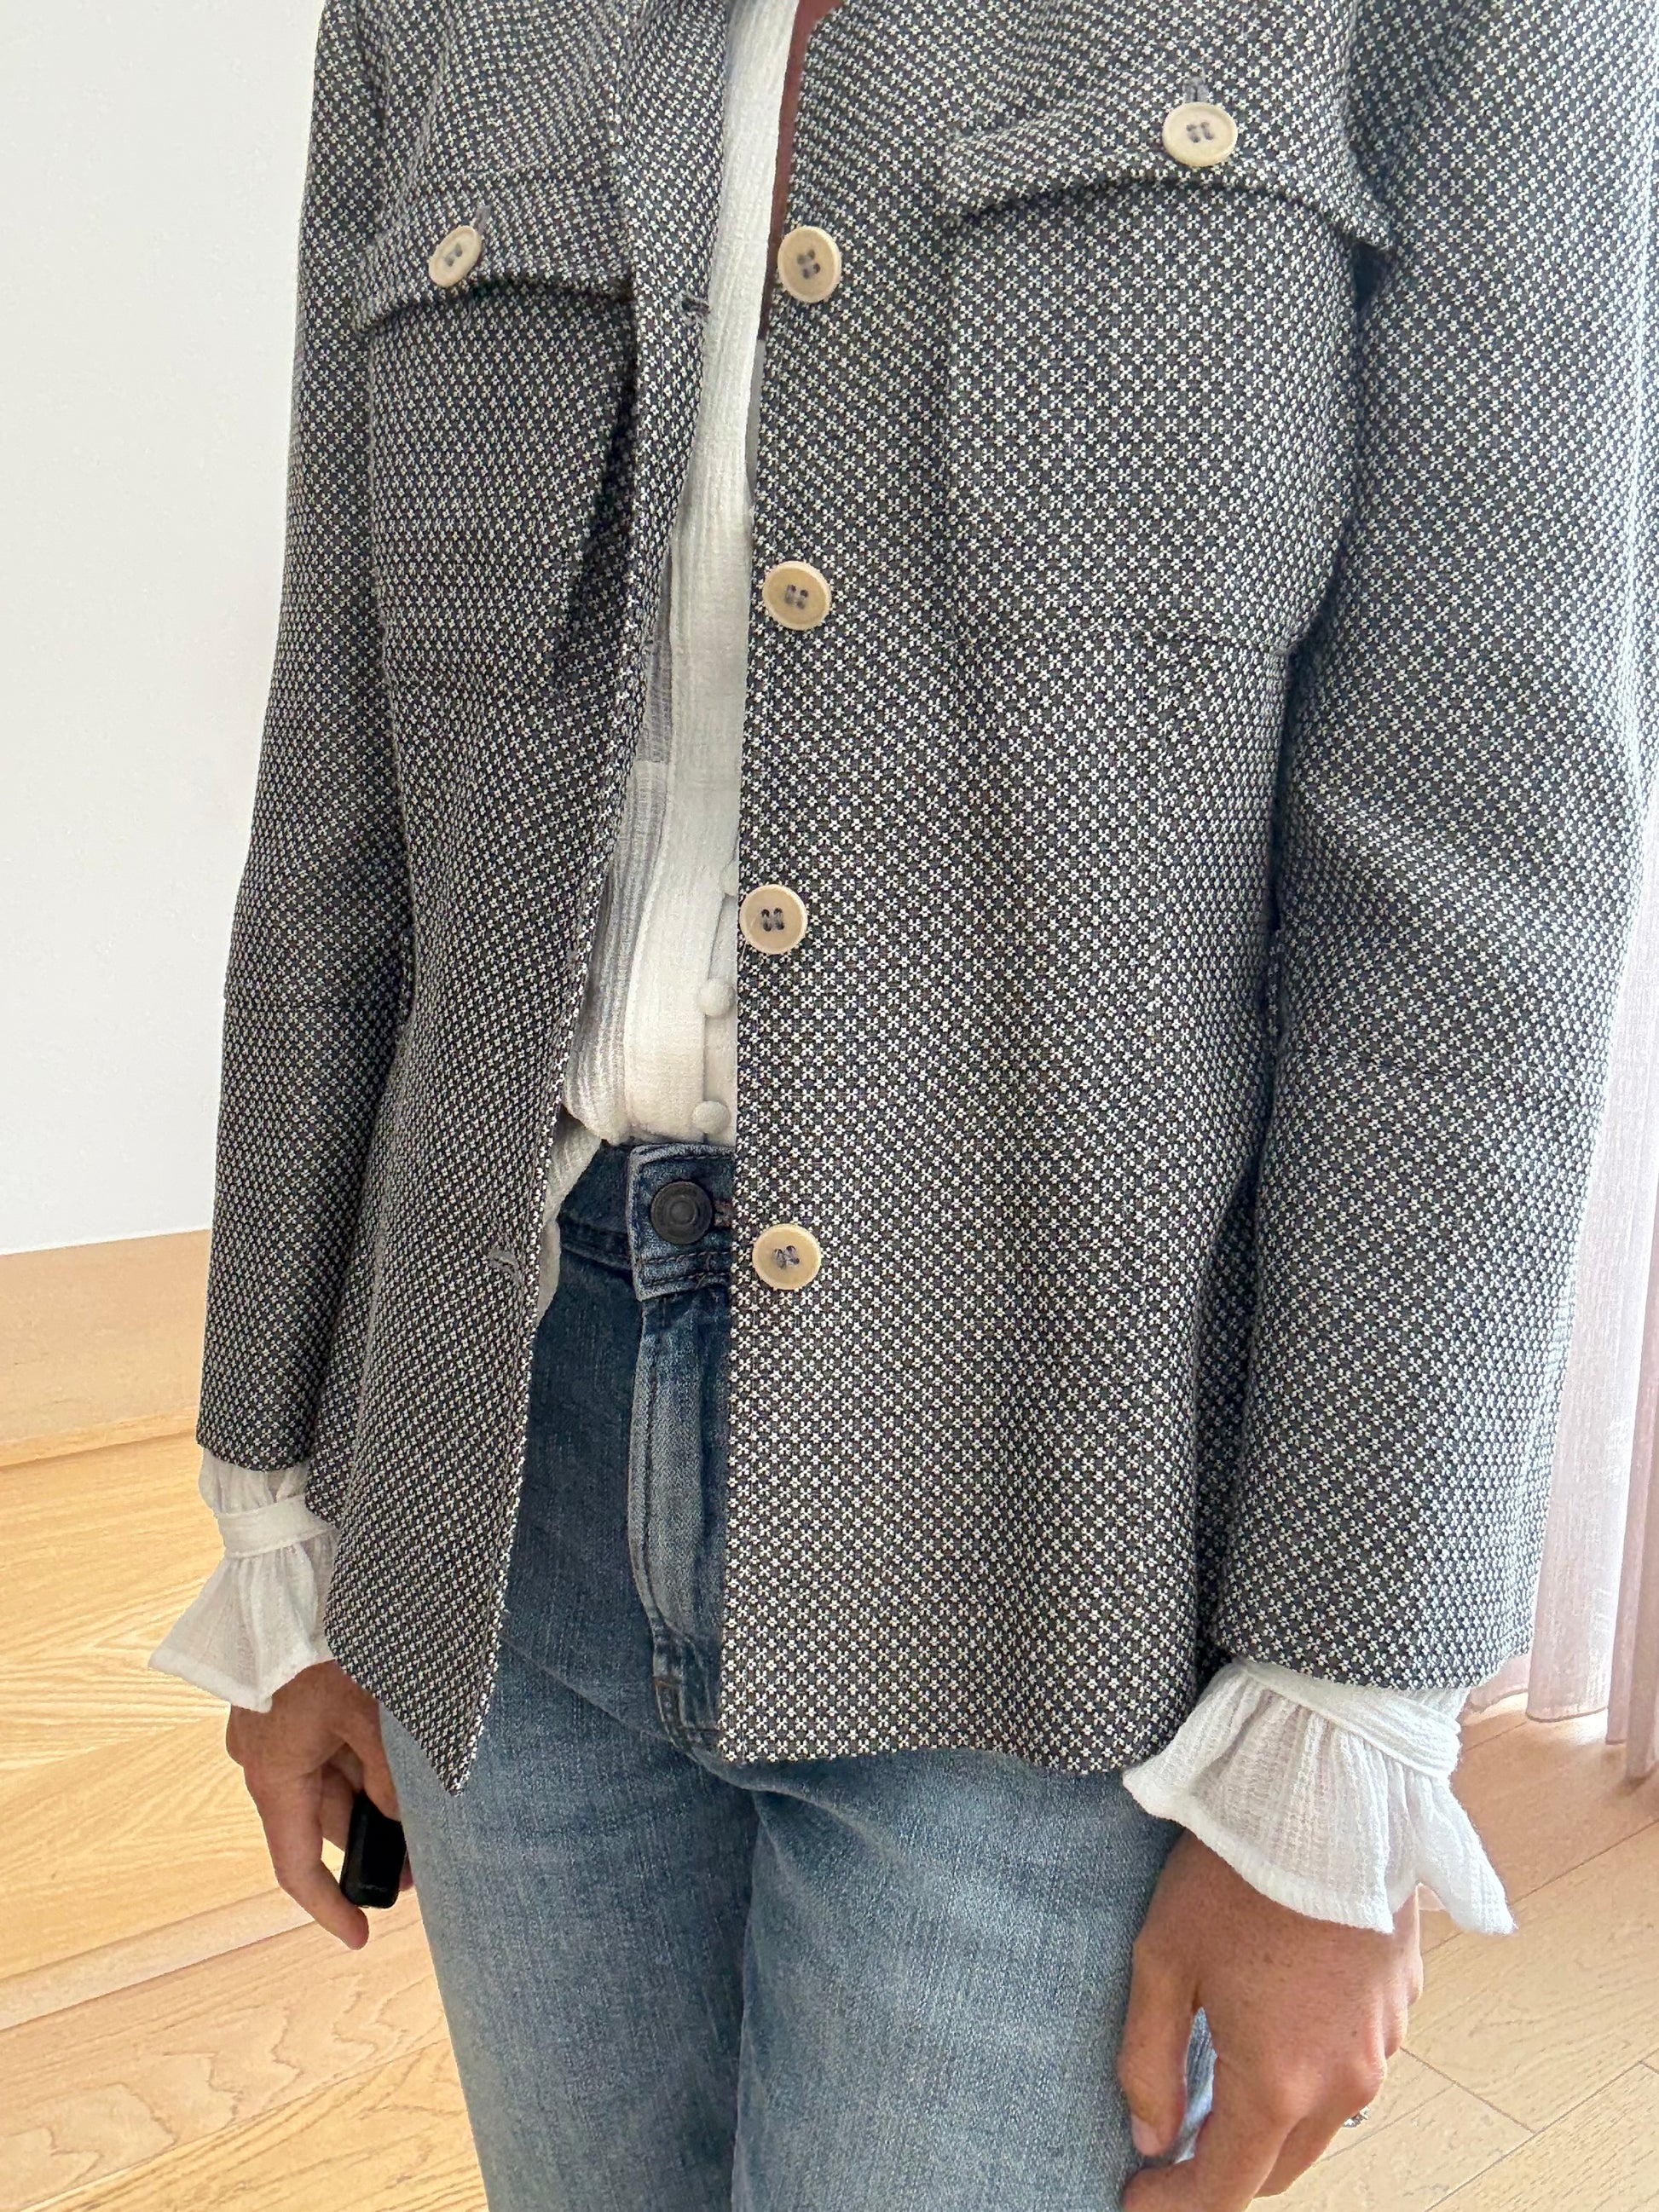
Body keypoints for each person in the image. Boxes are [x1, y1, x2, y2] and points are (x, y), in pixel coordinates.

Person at [153, 0, 1656, 2204]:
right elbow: (345, 806)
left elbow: (1469, 860)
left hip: (1067, 1526)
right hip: (498, 1468)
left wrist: (1348, 1709)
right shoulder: (432, 24)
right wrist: (286, 1526)